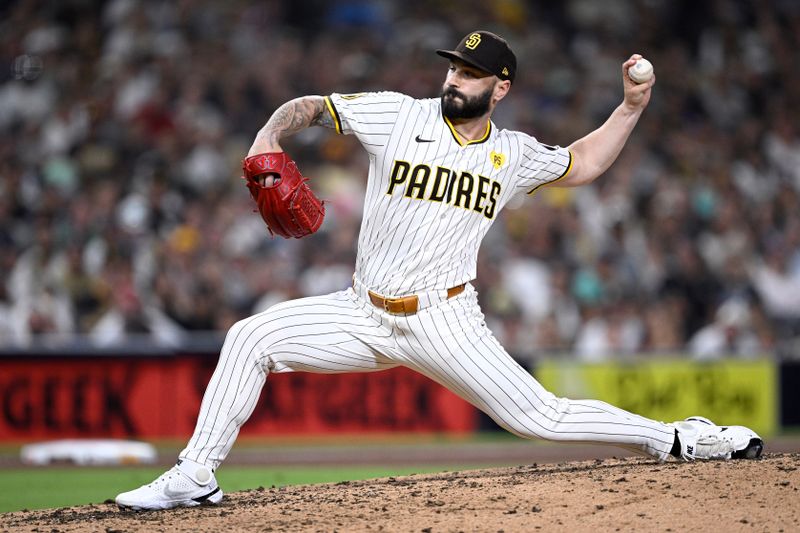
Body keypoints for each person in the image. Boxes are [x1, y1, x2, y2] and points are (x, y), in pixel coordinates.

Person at [115, 31, 763, 511]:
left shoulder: (512, 155)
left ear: (500, 88)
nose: (456, 79)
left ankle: (680, 438)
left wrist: (629, 108)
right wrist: (268, 134)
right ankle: (196, 474)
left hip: (446, 319)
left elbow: (582, 164)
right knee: (248, 337)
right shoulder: (398, 114)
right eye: (454, 66)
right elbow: (313, 105)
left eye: (472, 73)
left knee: (541, 416)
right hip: (362, 311)